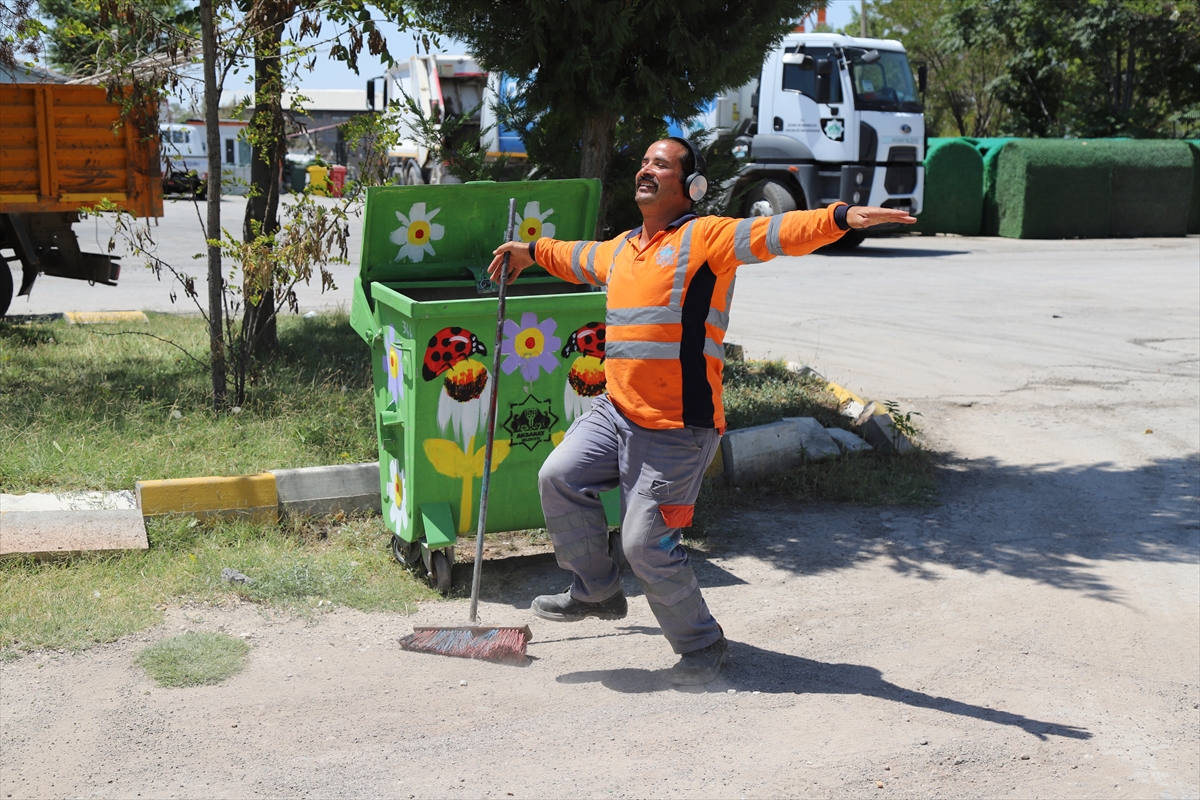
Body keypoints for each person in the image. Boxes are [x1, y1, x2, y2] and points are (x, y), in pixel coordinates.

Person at [488, 138, 915, 684]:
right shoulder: (623, 248)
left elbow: (776, 234)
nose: (645, 170)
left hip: (677, 428)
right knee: (559, 476)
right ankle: (595, 591)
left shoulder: (707, 238)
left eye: (660, 165)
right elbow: (575, 257)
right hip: (615, 411)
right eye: (644, 162)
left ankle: (702, 645)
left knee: (645, 542)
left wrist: (841, 217)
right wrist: (532, 252)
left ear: (691, 187)